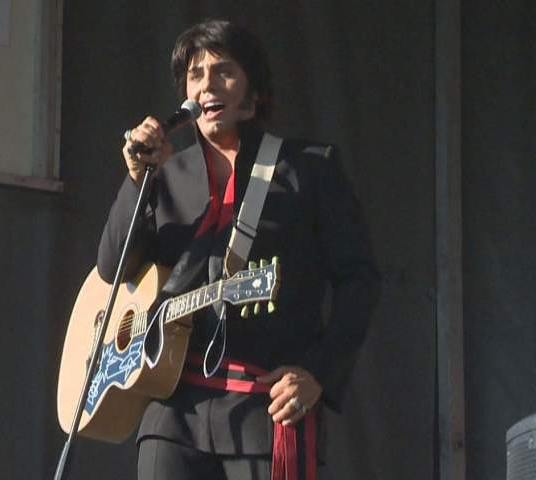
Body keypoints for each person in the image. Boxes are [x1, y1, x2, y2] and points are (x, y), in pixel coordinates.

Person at [97, 19, 381, 480]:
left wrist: (318, 372)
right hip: (172, 417)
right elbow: (113, 270)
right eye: (195, 74)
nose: (206, 85)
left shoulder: (309, 169)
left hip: (265, 411)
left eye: (224, 71)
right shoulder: (165, 175)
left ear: (253, 95)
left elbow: (359, 280)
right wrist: (136, 181)